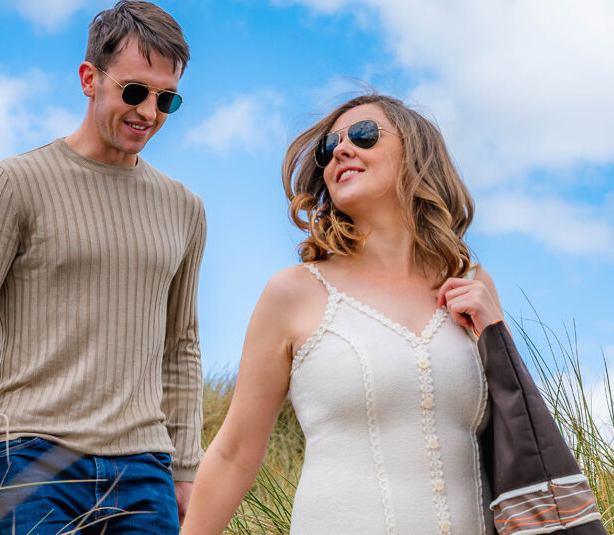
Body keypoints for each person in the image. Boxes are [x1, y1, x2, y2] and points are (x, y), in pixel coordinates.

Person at [0, 0, 206, 535]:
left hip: (145, 469)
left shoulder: (185, 208)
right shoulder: (13, 183)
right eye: (134, 91)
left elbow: (182, 348)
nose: (148, 111)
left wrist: (187, 466)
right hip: (30, 460)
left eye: (165, 98)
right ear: (88, 79)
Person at [182, 93, 505, 535]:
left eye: (364, 135)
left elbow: (516, 430)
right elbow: (235, 451)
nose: (340, 150)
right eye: (326, 148)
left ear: (416, 154)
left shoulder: (473, 284)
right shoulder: (294, 292)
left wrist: (495, 330)